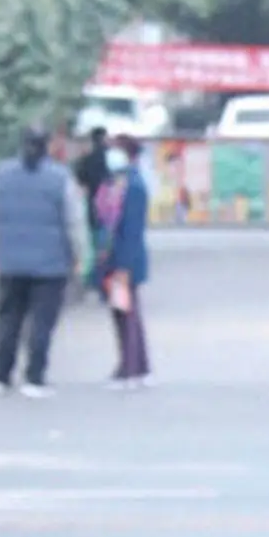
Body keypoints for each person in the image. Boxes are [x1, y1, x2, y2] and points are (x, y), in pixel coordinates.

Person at [0, 125, 85, 398]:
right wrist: (78, 255)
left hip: (10, 262)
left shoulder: (1, 176)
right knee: (42, 322)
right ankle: (34, 377)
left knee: (8, 319)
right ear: (47, 145)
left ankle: (0, 376)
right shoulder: (60, 178)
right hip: (50, 265)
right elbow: (73, 221)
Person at [99, 135, 152, 389]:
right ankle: (138, 366)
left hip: (123, 261)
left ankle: (129, 368)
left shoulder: (131, 186)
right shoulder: (117, 183)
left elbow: (130, 230)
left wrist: (123, 266)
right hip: (116, 259)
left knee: (125, 313)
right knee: (123, 313)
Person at [73, 127, 111, 284]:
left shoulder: (86, 159)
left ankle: (93, 278)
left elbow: (79, 180)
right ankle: (106, 276)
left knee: (93, 243)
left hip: (92, 204)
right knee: (106, 242)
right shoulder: (110, 158)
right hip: (109, 205)